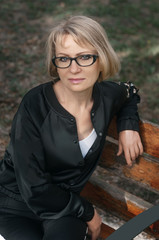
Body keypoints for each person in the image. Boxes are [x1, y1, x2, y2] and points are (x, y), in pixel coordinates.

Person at [0, 15, 143, 240]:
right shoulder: (34, 105)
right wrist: (88, 212)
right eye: (64, 59)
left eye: (85, 57)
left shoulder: (107, 96)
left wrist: (128, 125)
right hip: (16, 207)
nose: (74, 69)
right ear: (55, 63)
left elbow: (130, 92)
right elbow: (33, 186)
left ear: (101, 58)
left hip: (63, 211)